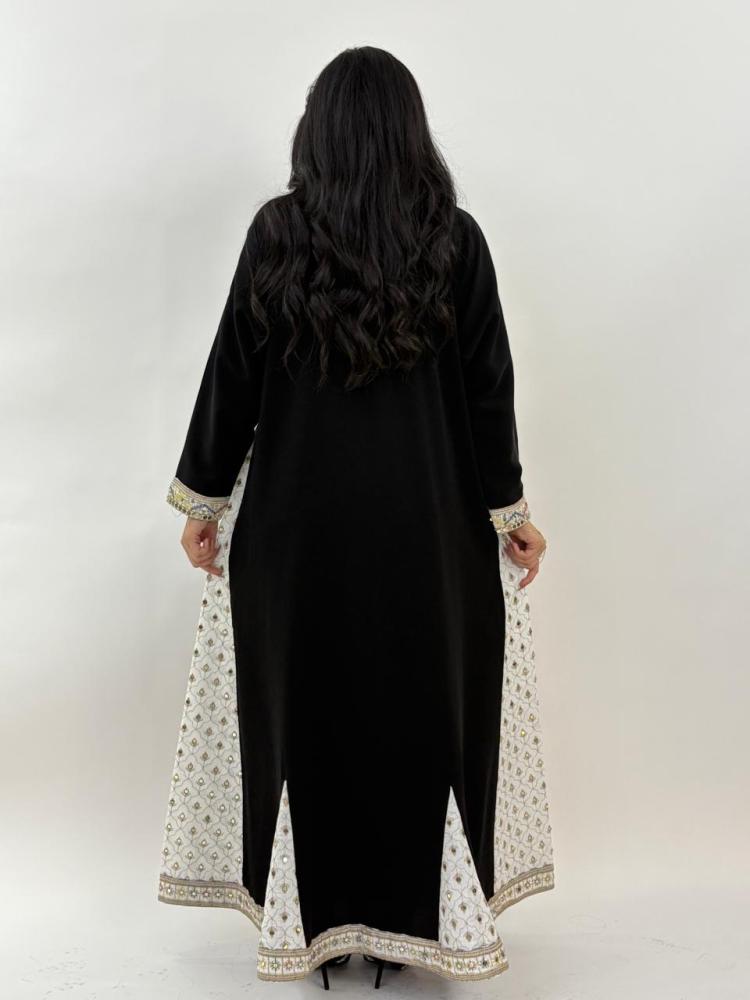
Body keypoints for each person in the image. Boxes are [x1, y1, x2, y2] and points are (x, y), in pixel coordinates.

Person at [157, 45, 554, 988]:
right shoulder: (455, 242)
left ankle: (315, 925)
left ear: (318, 131)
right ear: (412, 133)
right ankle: (420, 924)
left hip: (295, 543)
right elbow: (489, 396)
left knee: (308, 722)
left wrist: (202, 500)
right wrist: (510, 513)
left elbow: (231, 379)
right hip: (431, 541)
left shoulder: (278, 235)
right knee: (424, 723)